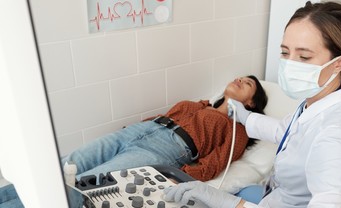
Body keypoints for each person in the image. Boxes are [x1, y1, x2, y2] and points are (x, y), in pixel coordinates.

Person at [164, 1, 341, 208]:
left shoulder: (336, 136)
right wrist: (247, 117)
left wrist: (232, 205)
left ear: (338, 63)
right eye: (284, 52)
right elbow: (288, 131)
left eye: (303, 56)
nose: (290, 64)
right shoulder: (322, 98)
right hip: (278, 199)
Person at [61, 75, 268, 182]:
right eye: (239, 77)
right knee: (70, 162)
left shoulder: (237, 130)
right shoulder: (201, 104)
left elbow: (215, 163)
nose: (240, 79)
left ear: (251, 103)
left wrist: (179, 175)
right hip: (137, 132)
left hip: (165, 150)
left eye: (247, 83)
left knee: (92, 181)